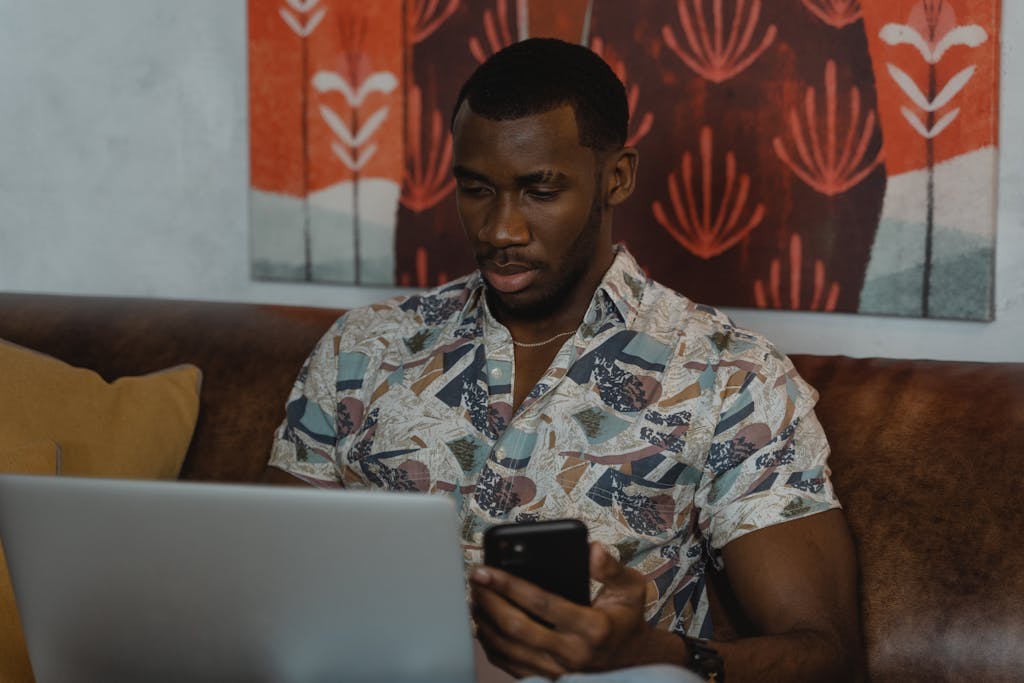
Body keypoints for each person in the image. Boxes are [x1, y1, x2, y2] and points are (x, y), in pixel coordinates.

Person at [265, 37, 863, 682]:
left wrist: (656, 656)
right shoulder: (361, 349)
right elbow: (263, 585)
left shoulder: (732, 378)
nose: (500, 230)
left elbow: (828, 658)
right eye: (476, 189)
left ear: (617, 177)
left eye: (540, 191)